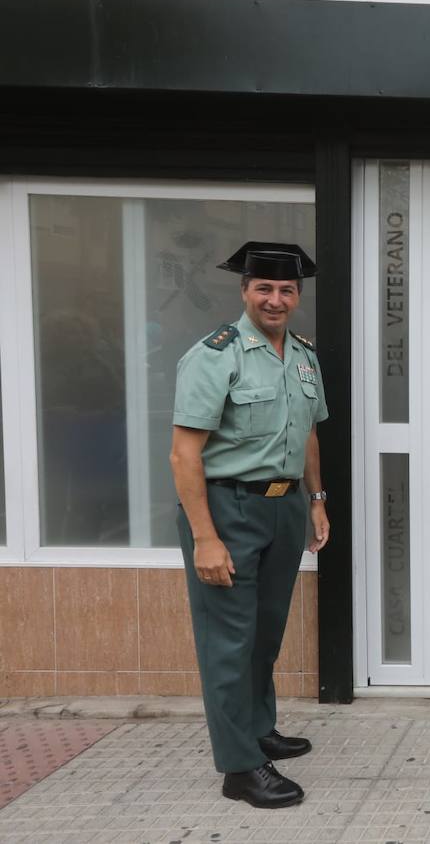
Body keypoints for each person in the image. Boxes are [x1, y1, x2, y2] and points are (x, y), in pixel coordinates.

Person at [169, 242, 330, 808]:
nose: (275, 299)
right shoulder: (217, 354)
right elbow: (184, 454)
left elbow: (309, 431)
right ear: (245, 291)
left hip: (284, 507)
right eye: (264, 288)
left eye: (286, 290)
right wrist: (206, 537)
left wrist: (316, 500)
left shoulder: (304, 355)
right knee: (229, 641)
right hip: (228, 508)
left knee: (264, 631)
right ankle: (239, 767)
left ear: (298, 296)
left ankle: (259, 730)